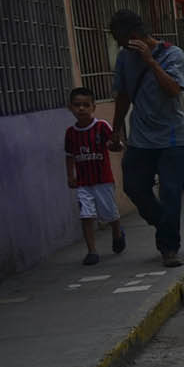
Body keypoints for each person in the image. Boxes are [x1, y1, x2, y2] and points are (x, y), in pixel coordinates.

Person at [109, 9, 184, 268]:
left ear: (134, 36)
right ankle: (163, 222)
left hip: (172, 139)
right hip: (141, 138)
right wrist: (115, 128)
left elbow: (173, 89)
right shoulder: (124, 59)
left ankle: (169, 248)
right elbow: (122, 95)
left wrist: (150, 62)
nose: (120, 46)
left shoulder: (172, 54)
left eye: (121, 40)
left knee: (170, 192)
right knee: (133, 185)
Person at [64, 86, 125, 266]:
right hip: (83, 182)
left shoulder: (101, 126)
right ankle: (92, 251)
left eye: (85, 105)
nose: (81, 109)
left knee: (110, 214)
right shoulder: (71, 133)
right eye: (77, 105)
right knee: (86, 215)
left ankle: (117, 232)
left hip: (103, 181)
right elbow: (69, 156)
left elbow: (117, 145)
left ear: (93, 107)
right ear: (71, 107)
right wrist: (70, 176)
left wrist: (116, 144)